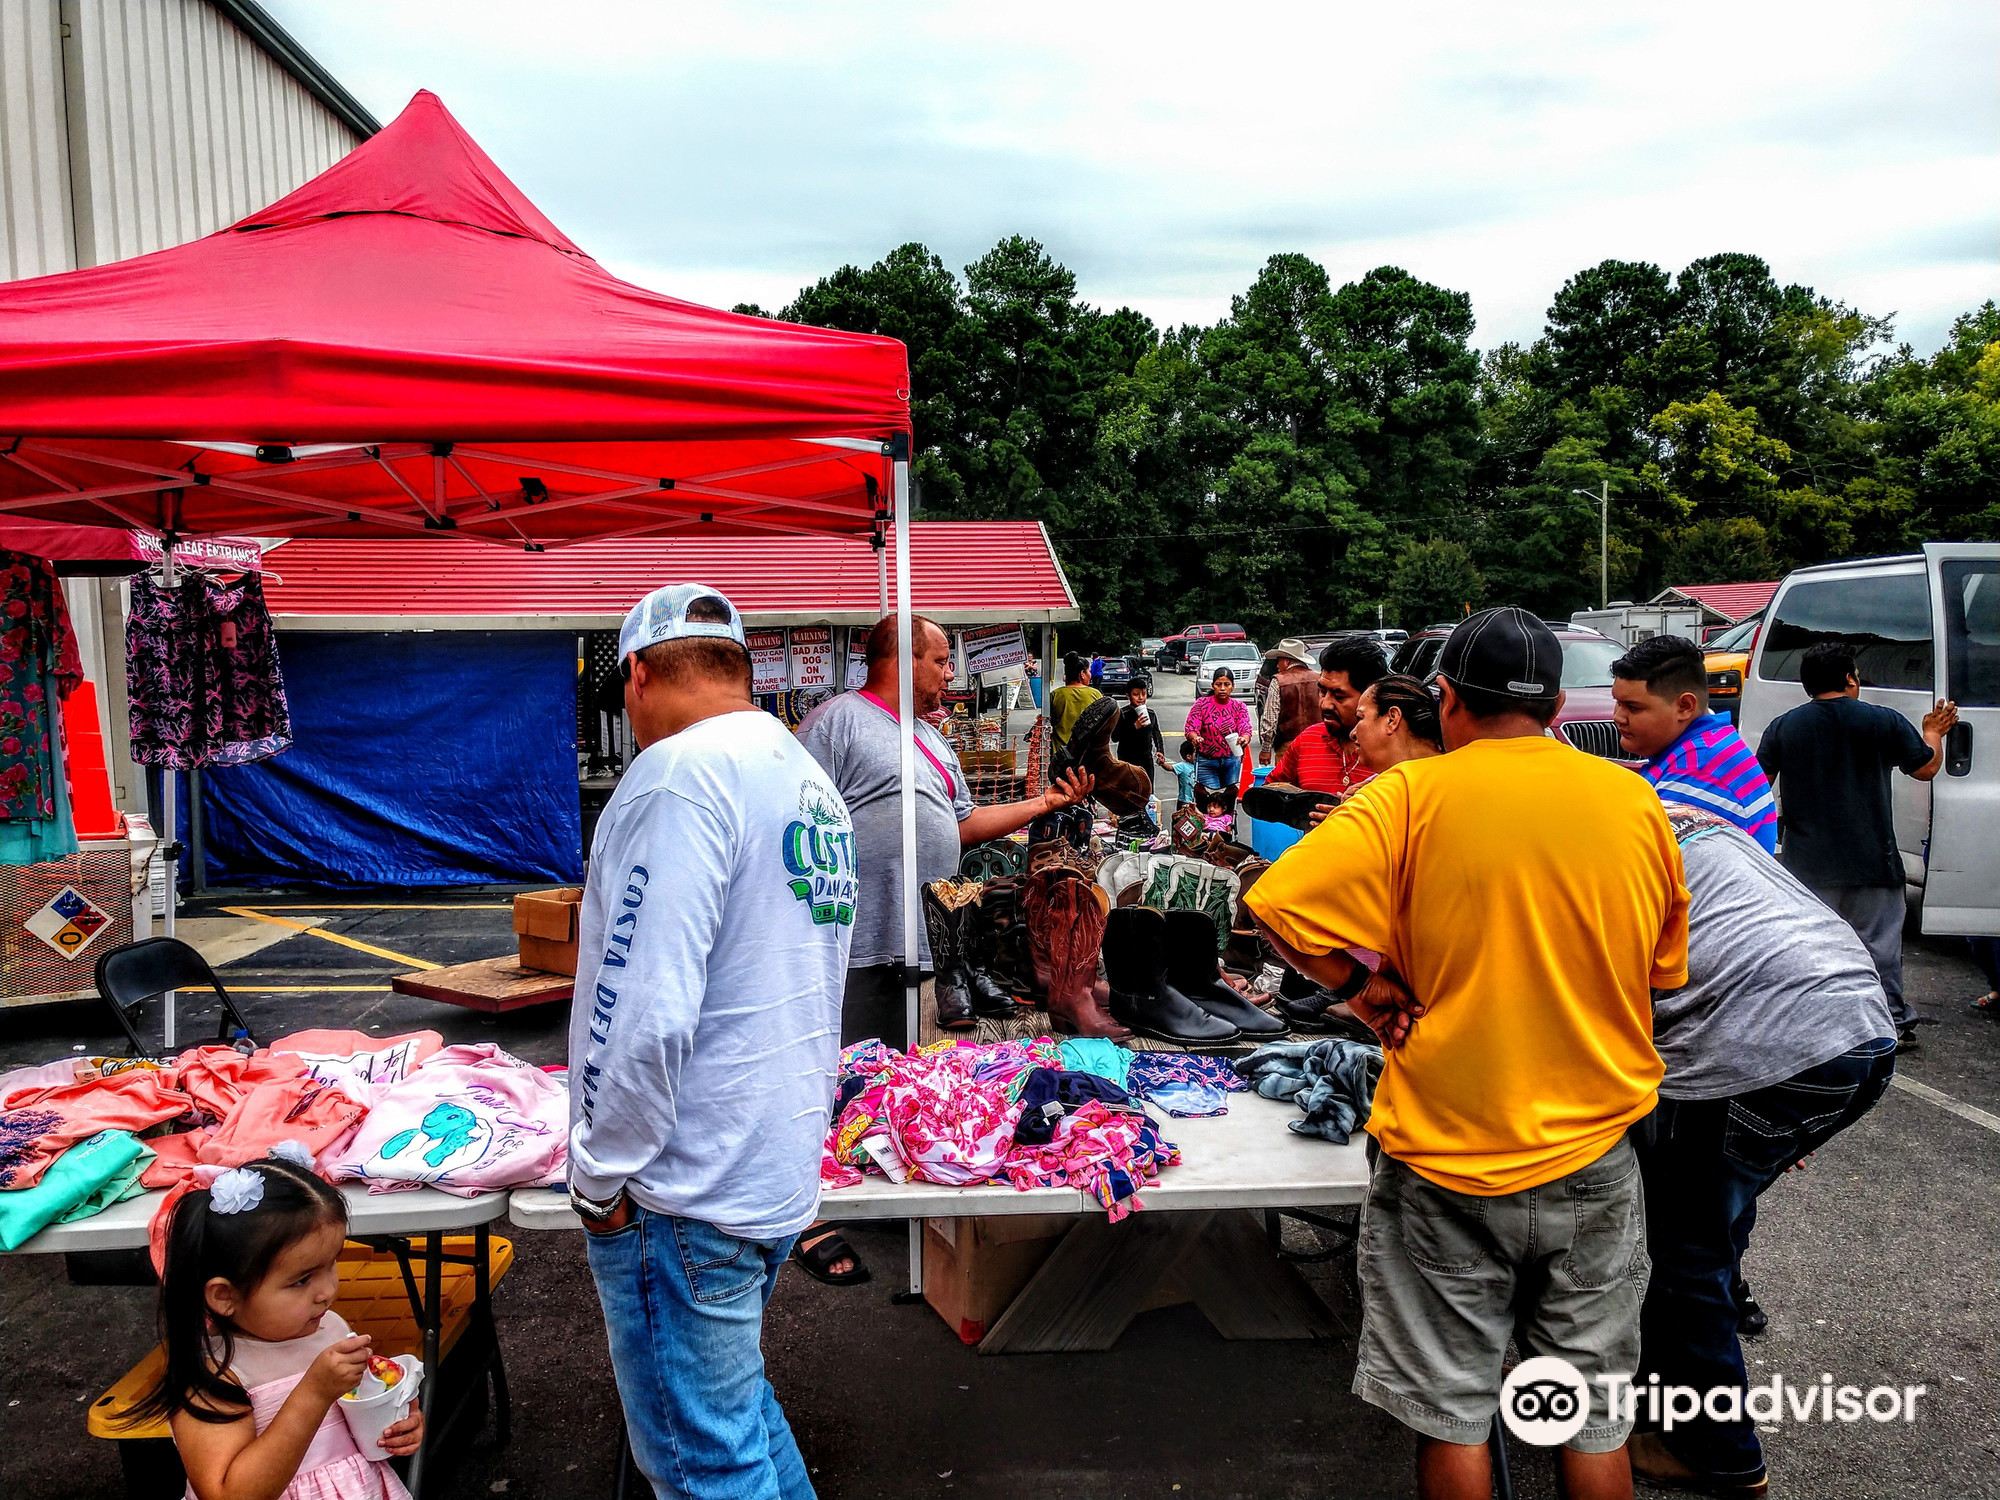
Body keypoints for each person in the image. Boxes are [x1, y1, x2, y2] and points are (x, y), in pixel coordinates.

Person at [1246, 606, 1689, 1500]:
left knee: (1452, 1411)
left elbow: (1275, 901)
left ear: (1445, 699)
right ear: (1561, 706)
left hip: (1446, 1153)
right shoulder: (1632, 798)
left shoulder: (1409, 796)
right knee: (1588, 1411)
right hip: (1595, 1152)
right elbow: (1664, 974)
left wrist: (1363, 993)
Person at [567, 583, 855, 1498]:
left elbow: (644, 1006)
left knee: (703, 1465)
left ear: (640, 675)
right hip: (766, 1165)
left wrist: (598, 1176)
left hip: (684, 1184)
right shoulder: (805, 776)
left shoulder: (677, 777)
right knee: (738, 1422)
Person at [795, 613, 1092, 1281]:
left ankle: (887, 1179)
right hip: (853, 937)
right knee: (833, 1069)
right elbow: (794, 822)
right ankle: (811, 1205)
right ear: (900, 659)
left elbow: (961, 827)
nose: (951, 674)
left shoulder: (933, 740)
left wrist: (1041, 804)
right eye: (940, 660)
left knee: (901, 1073)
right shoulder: (836, 722)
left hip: (923, 940)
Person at [1629, 802, 1897, 1495]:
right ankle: (1663, 1408)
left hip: (1767, 1042)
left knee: (1686, 1257)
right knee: (1705, 1224)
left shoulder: (1596, 848)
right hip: (1857, 1028)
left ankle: (1724, 1459)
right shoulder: (1680, 815)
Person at [142, 1150, 424, 1500]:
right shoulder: (216, 1376)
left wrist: (398, 1421)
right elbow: (228, 1494)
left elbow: (359, 1413)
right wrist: (314, 1393)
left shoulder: (330, 1329)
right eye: (302, 1280)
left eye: (332, 1263)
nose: (326, 1292)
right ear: (224, 1296)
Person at [1755, 641, 1958, 1047]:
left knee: (1811, 947)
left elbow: (1758, 787)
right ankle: (1891, 1022)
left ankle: (1812, 1020)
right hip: (1873, 860)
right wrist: (1933, 732)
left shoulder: (1783, 726)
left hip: (1808, 864)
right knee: (1878, 948)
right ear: (1850, 678)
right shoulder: (1882, 721)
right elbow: (1926, 768)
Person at [1611, 635, 1777, 852]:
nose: (1618, 716)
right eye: (1617, 702)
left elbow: (1644, 860)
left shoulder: (1695, 773)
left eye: (1633, 707)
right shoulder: (1710, 744)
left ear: (1685, 706)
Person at [1265, 635, 1388, 816]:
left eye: (1339, 696)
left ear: (1371, 695)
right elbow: (1268, 795)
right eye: (1322, 691)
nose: (1325, 704)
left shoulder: (1395, 751)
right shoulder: (1307, 740)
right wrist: (1306, 807)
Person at [1349, 673, 1444, 774]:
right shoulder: (1456, 774)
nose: (1353, 734)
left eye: (1360, 717)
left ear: (1392, 719)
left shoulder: (1384, 788)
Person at [1184, 666, 1254, 791]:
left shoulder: (1239, 706)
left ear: (1233, 686)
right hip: (1206, 761)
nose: (1222, 688)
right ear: (1212, 686)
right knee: (1209, 803)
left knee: (1229, 799)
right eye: (1218, 684)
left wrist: (1244, 738)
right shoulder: (1201, 704)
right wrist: (1195, 737)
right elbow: (1191, 727)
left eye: (1226, 684)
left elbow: (1245, 727)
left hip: (1232, 760)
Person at [1258, 639, 1320, 763]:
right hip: (1317, 745)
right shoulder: (1318, 678)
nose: (1277, 666)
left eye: (1278, 661)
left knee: (1286, 781)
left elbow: (1270, 720)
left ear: (1286, 661)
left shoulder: (1278, 681)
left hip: (1288, 746)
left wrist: (1266, 748)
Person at [1113, 674, 1171, 775]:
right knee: (1129, 788)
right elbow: (1115, 737)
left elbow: (1156, 734)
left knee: (1148, 788)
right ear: (1128, 696)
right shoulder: (1122, 714)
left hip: (1146, 759)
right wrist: (1134, 726)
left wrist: (1160, 751)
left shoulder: (1151, 714)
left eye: (1143, 694)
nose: (1140, 698)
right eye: (1136, 694)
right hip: (1127, 760)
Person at [1047, 652, 1103, 748]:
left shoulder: (1055, 695)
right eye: (1088, 671)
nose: (1090, 674)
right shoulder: (1095, 694)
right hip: (1087, 754)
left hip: (1060, 753)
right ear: (1082, 674)